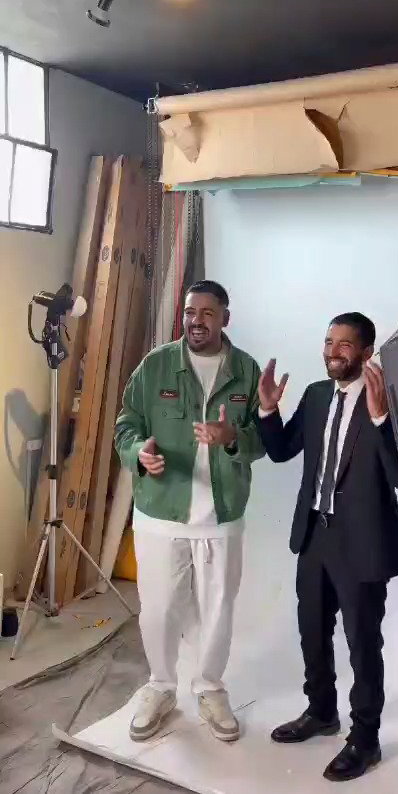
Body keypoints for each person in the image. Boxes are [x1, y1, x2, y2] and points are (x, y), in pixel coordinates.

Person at [257, 312, 398, 782]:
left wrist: (381, 419)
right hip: (315, 535)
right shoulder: (317, 394)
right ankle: (321, 711)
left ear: (366, 351)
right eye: (328, 342)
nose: (332, 352)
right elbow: (281, 450)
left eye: (344, 344)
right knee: (312, 630)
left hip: (363, 541)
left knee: (363, 643)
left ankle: (365, 739)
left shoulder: (389, 399)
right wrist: (268, 411)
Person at [115, 280, 264, 743]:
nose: (195, 321)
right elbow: (126, 424)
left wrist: (232, 437)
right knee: (159, 610)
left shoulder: (246, 370)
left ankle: (210, 688)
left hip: (221, 516)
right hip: (160, 512)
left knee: (218, 611)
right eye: (189, 312)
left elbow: (262, 440)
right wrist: (138, 452)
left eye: (207, 313)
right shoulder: (155, 365)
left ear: (225, 318)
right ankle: (161, 687)